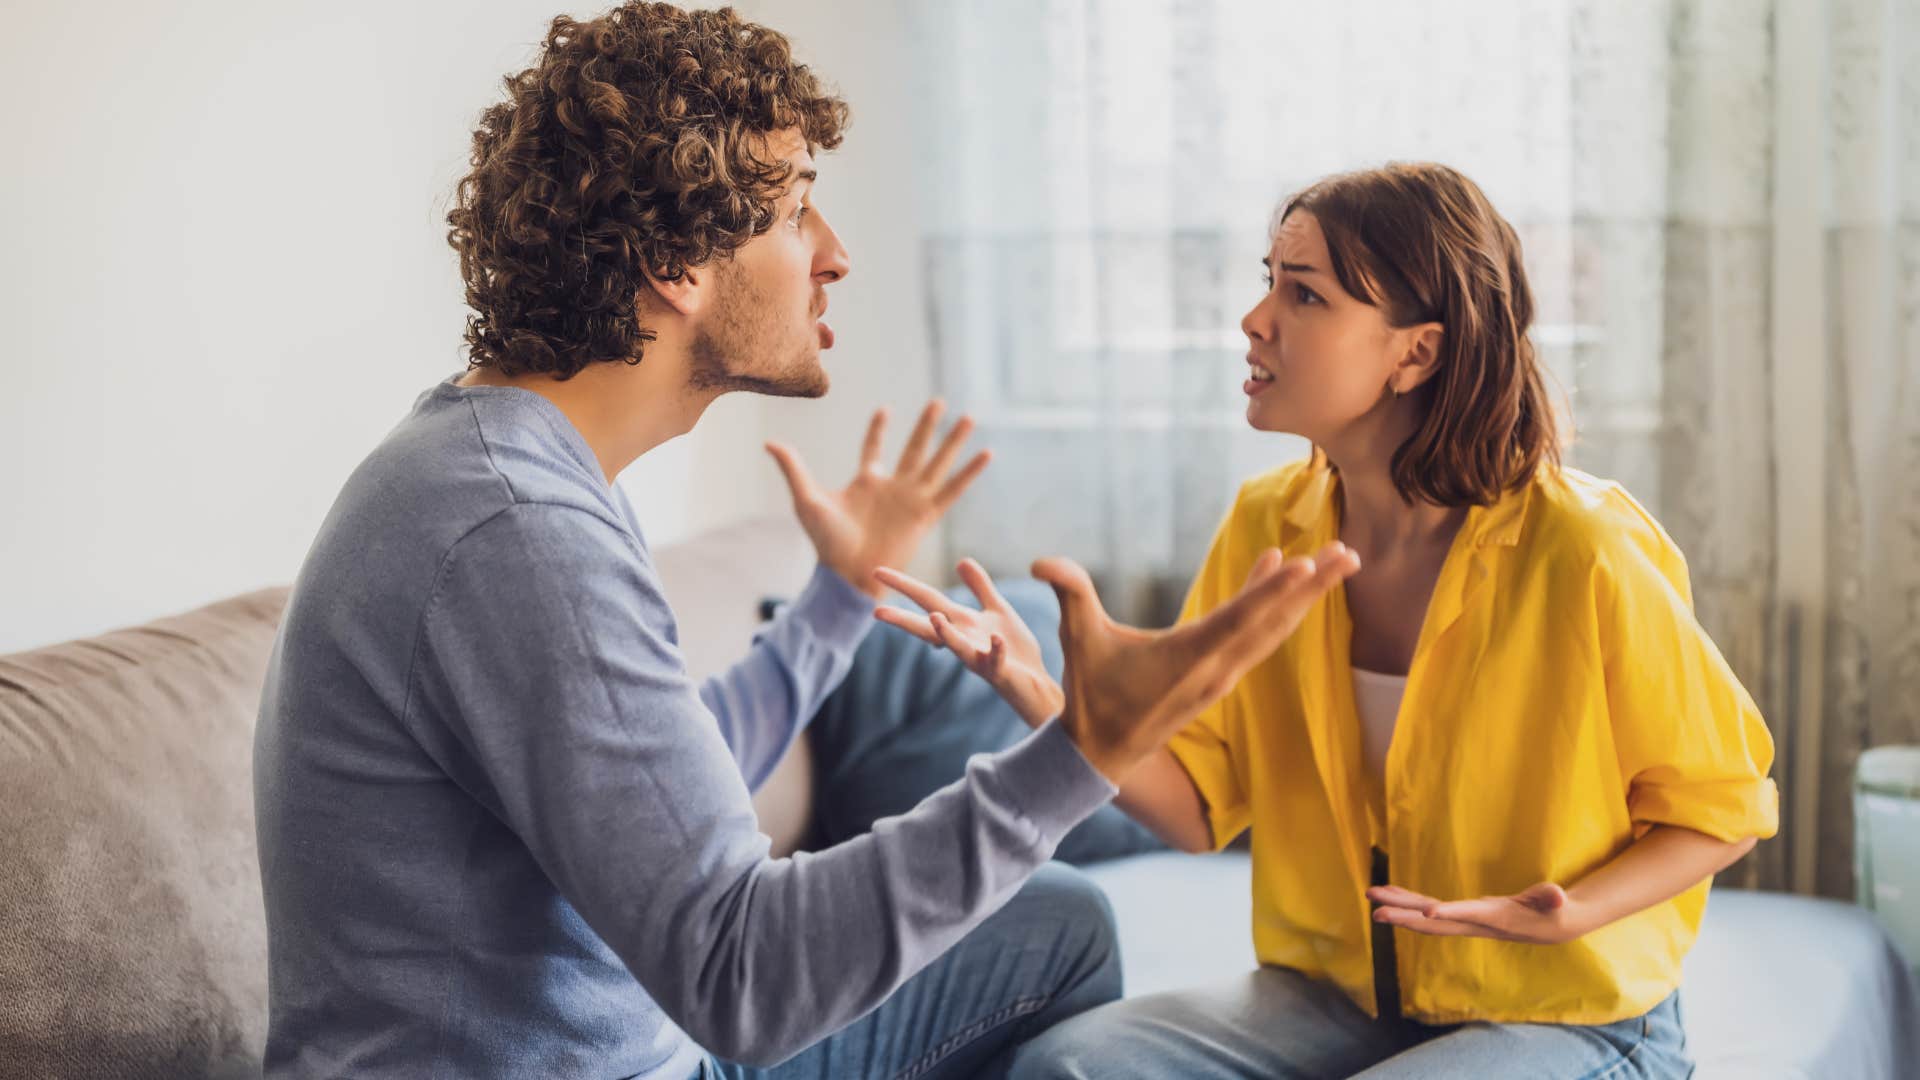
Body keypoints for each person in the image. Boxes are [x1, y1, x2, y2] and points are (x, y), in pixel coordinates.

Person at [251, 4, 1357, 1077]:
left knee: (1057, 923)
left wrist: (837, 599)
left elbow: (668, 788)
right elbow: (744, 978)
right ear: (677, 262)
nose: (835, 255)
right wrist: (1078, 756)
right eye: (796, 213)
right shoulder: (515, 531)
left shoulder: (515, 471)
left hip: (653, 1044)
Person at [876, 162, 1778, 1078]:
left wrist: (1568, 913)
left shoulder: (1582, 549)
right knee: (1067, 1067)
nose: (1255, 319)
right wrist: (1046, 695)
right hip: (1341, 999)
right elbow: (1197, 809)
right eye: (1268, 282)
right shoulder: (1265, 528)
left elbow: (1725, 811)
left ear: (1415, 353)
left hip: (1568, 1014)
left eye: (1304, 294)